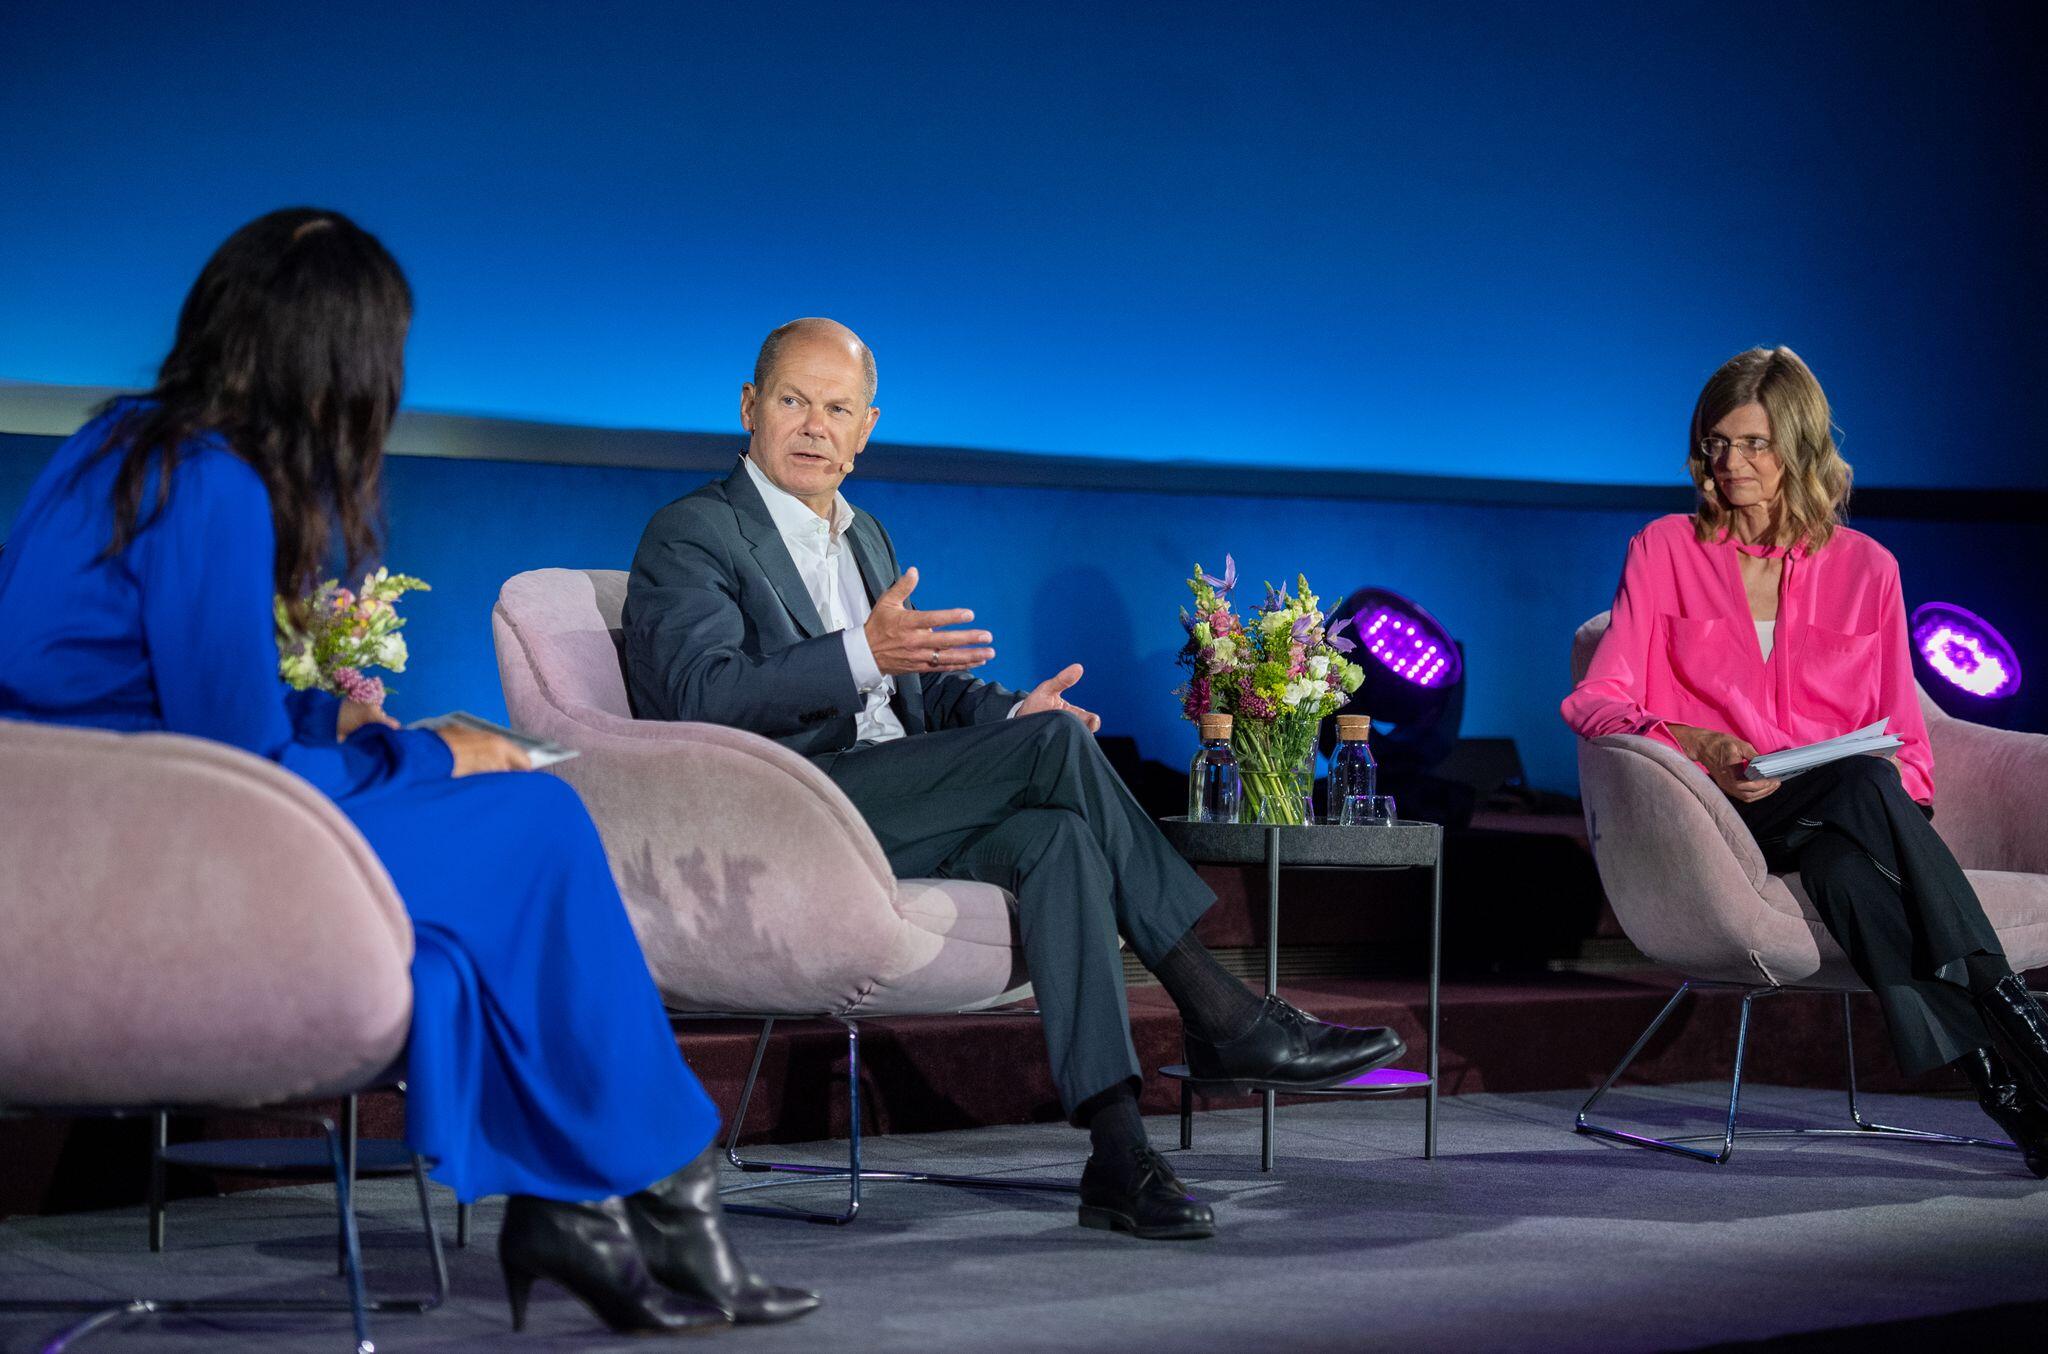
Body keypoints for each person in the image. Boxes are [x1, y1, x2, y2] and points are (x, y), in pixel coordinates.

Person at [0, 208, 819, 1334]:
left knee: (466, 910)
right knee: (530, 816)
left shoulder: (114, 447)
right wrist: (430, 749)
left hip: (85, 847)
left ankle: (579, 1207)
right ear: (339, 359)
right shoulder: (212, 483)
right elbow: (236, 771)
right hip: (159, 862)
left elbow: (137, 698)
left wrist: (332, 720)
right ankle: (667, 1199)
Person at [623, 317, 1408, 1239]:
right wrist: (856, 653)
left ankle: (1118, 1154)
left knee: (1060, 836)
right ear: (750, 407)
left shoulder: (863, 534)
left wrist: (1007, 716)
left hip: (886, 798)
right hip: (784, 810)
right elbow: (699, 697)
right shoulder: (692, 534)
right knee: (1057, 759)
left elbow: (918, 691)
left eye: (837, 408)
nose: (813, 426)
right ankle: (1220, 1008)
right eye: (793, 401)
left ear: (867, 426)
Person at [1562, 346, 2048, 1176]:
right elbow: (1595, 700)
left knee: (1853, 856)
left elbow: (1906, 737)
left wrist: (1893, 810)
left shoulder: (1870, 571)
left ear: (1801, 448)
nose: (1732, 464)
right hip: (1726, 816)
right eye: (1718, 443)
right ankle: (2024, 1030)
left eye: (1755, 444)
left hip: (1846, 816)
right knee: (1861, 785)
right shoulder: (1665, 549)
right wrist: (1698, 744)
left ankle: (2013, 1097)